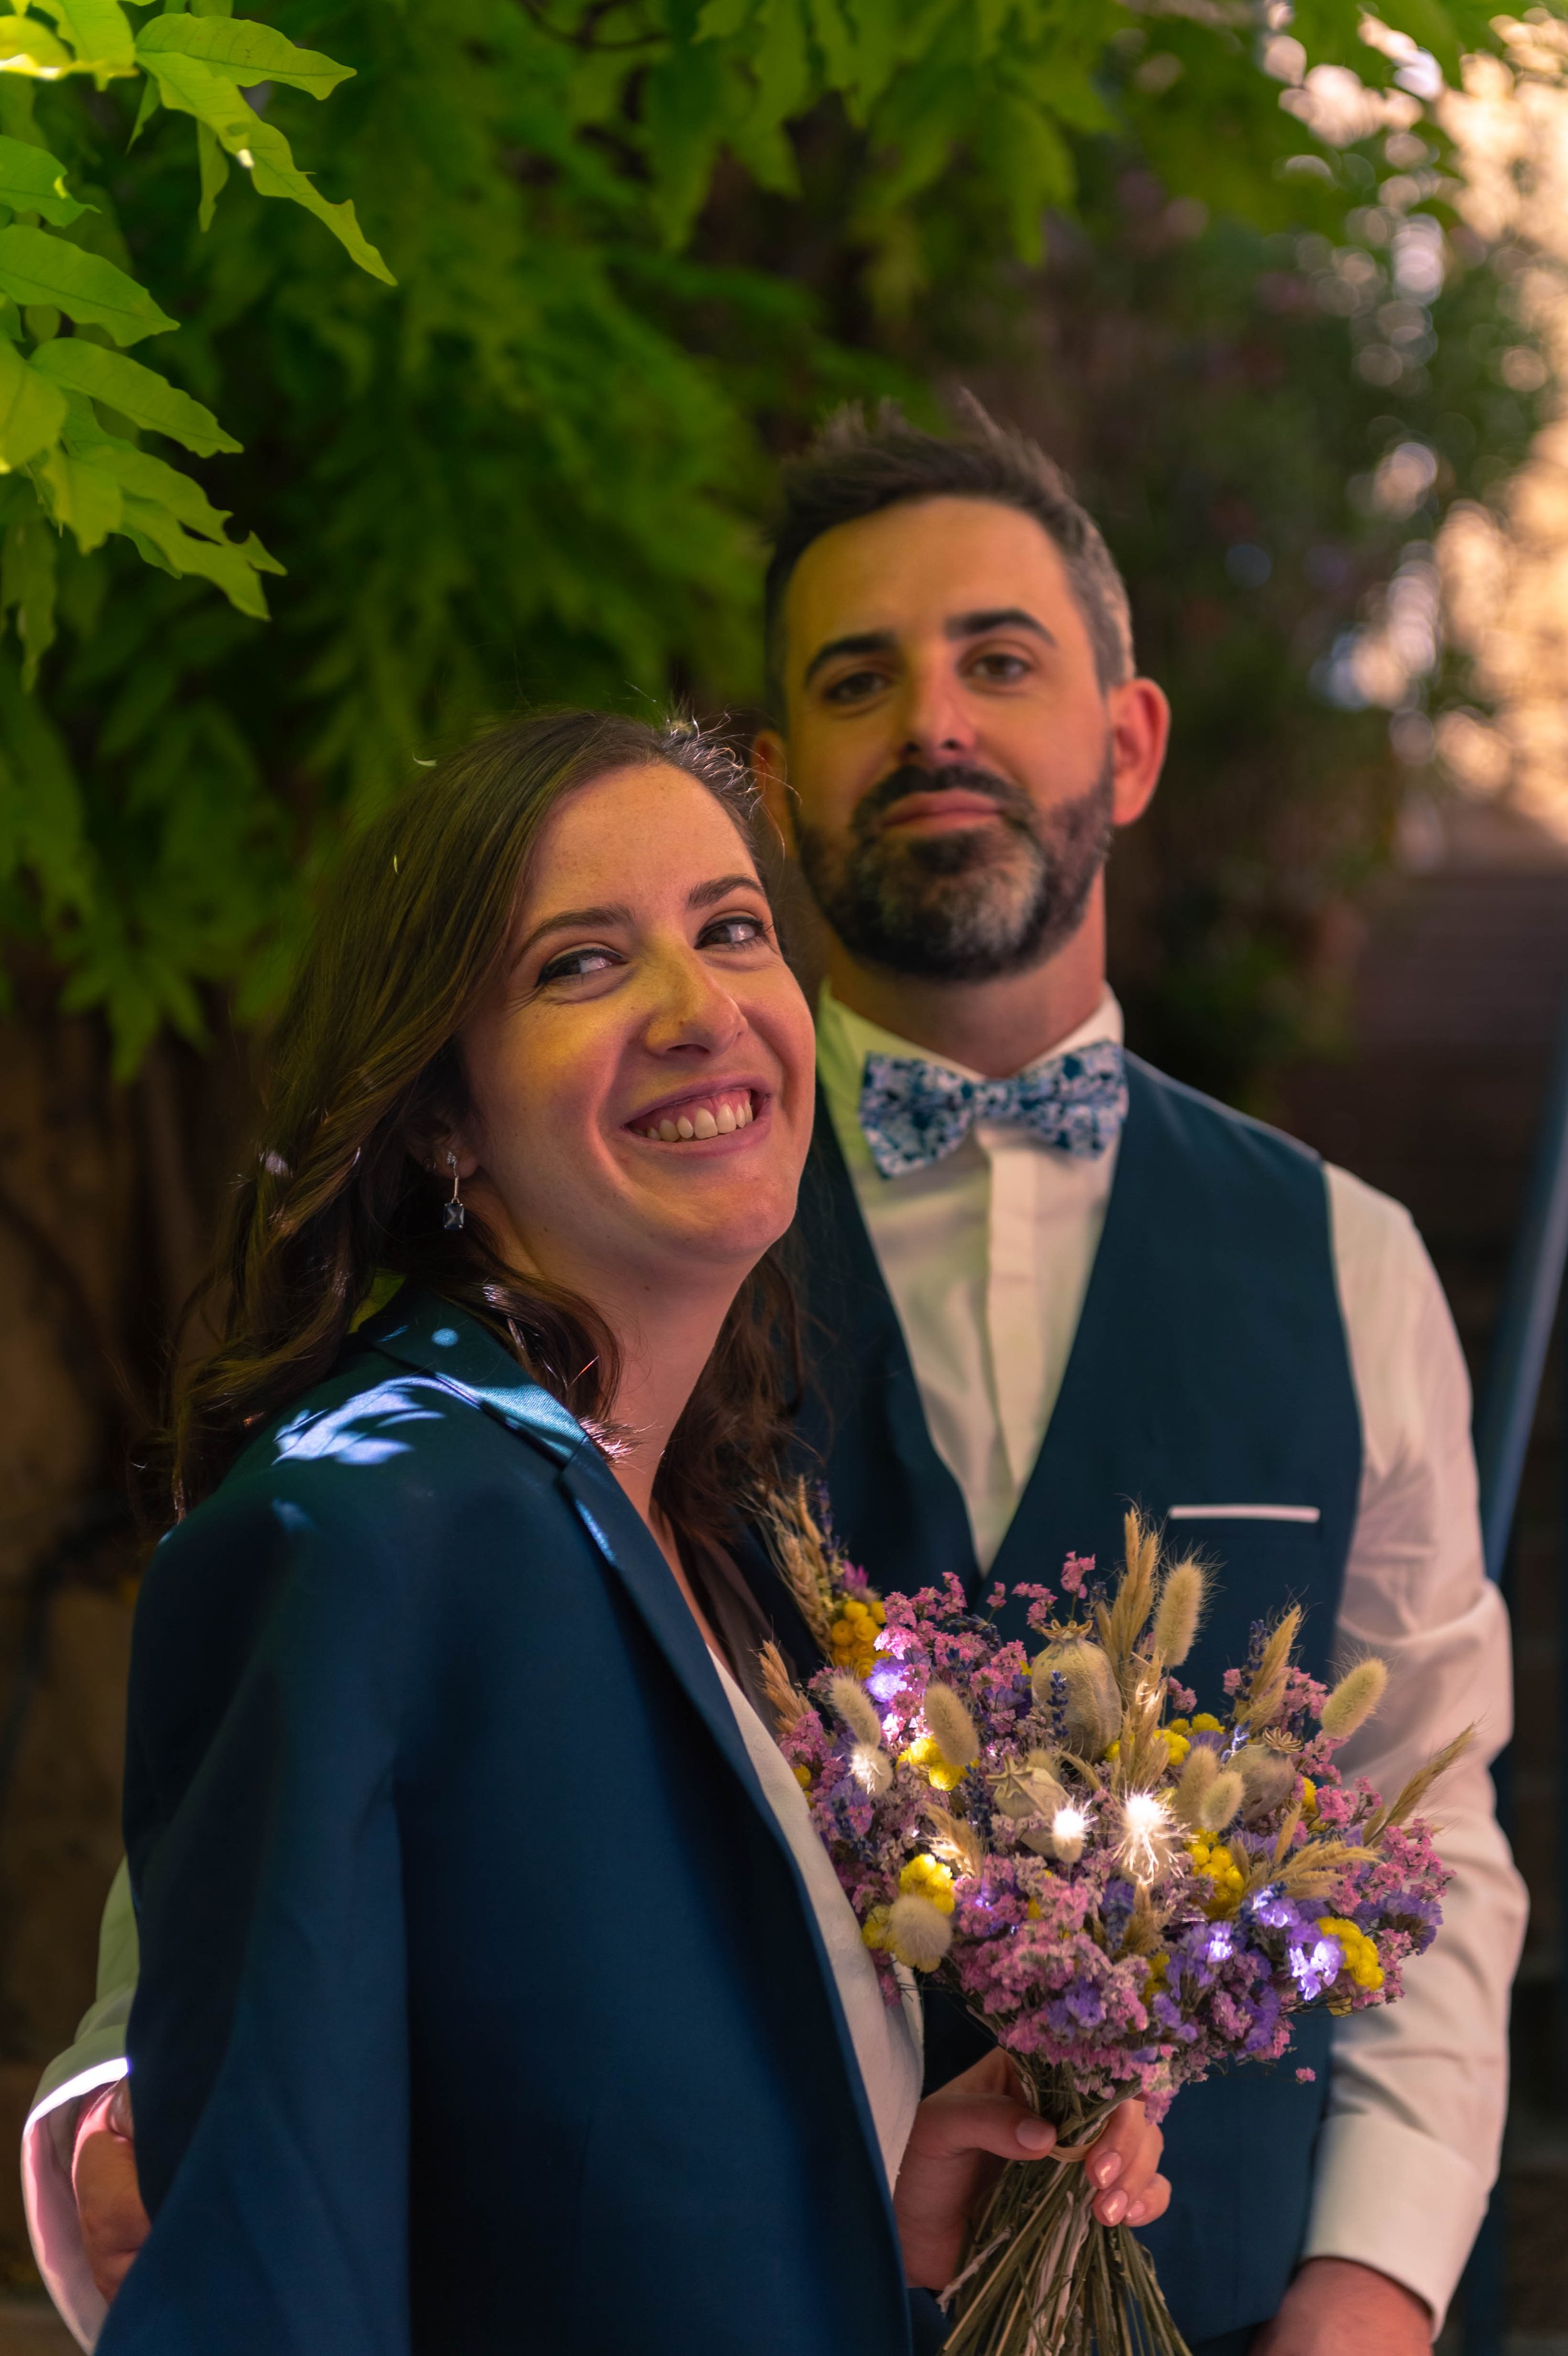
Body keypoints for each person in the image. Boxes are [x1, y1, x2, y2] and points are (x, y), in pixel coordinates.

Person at [33, 404, 1523, 2349]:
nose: (933, 723)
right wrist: (132, 2102)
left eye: (998, 658)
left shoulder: (1342, 1257)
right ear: (786, 772)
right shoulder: (637, 1244)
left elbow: (1429, 1812)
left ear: (1127, 740)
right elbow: (280, 1839)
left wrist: (1368, 2288)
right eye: (855, 679)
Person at [50, 710, 1167, 2355]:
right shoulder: (360, 1523)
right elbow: (269, 2266)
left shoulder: (722, 1566)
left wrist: (866, 2181)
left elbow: (555, 2169)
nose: (698, 1007)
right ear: (441, 1114)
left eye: (730, 929)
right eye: (582, 963)